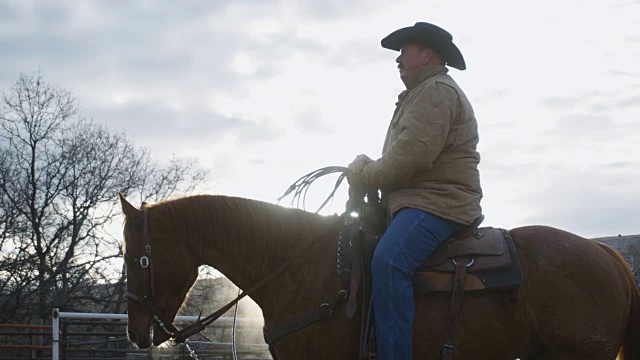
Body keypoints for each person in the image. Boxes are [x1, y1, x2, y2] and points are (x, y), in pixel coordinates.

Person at [347, 22, 483, 359]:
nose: (398, 59)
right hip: (424, 200)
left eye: (404, 51)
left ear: (426, 55)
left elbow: (409, 157)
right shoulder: (424, 93)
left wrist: (366, 174)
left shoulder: (435, 92)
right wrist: (371, 167)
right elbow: (403, 156)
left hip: (439, 204)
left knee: (390, 260)